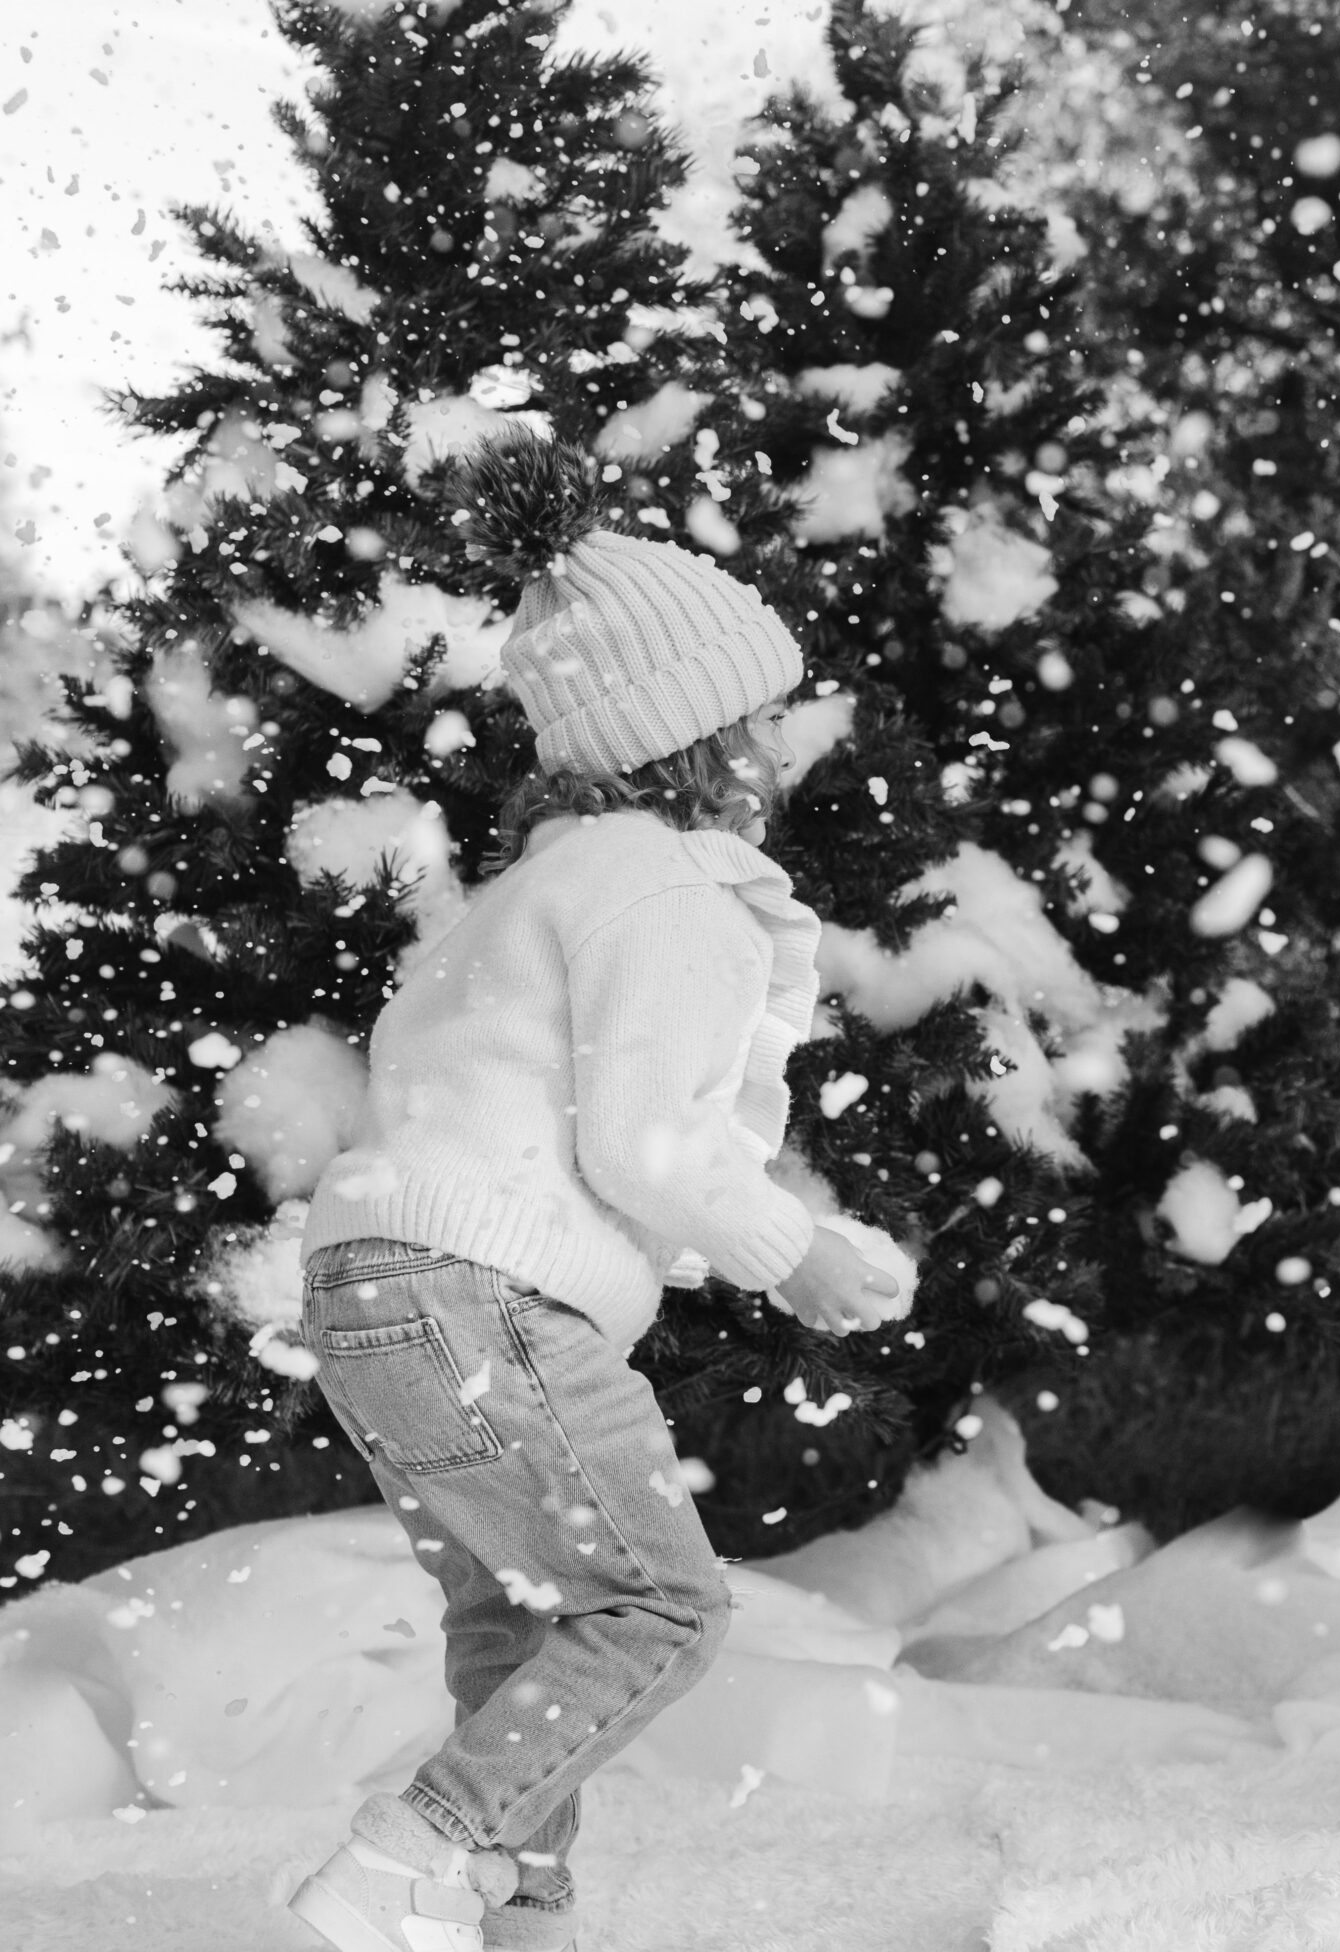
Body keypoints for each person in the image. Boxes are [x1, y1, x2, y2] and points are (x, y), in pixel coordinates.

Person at [286, 435, 907, 1952]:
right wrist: (797, 1252)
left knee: (522, 1619)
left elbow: (531, 1118)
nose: (783, 746)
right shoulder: (664, 885)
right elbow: (645, 1146)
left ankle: (521, 1920)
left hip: (375, 1296)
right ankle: (400, 1865)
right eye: (763, 715)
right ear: (704, 732)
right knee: (656, 1609)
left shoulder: (530, 890)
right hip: (481, 1297)